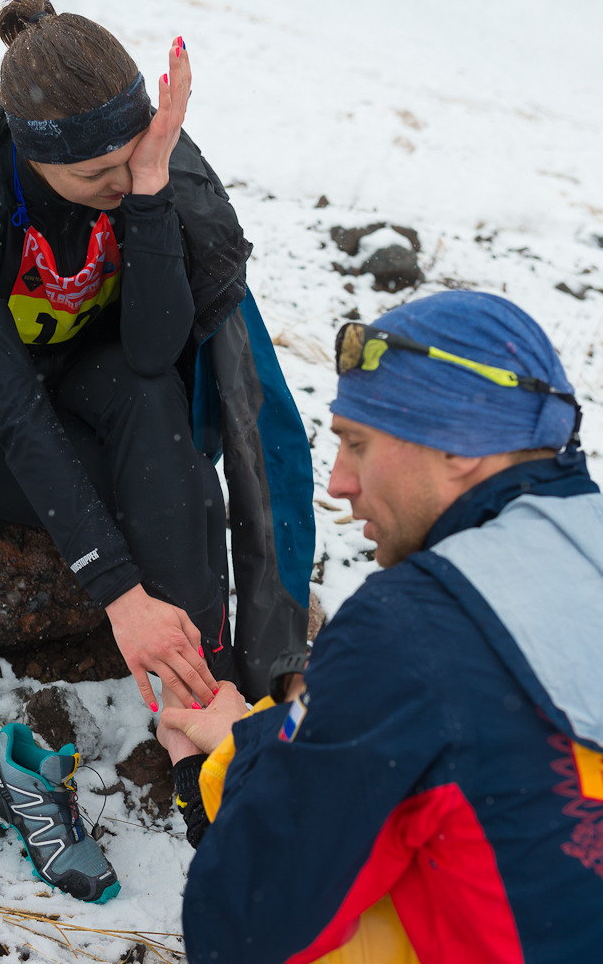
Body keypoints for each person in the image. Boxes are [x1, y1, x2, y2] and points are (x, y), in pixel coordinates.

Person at [159, 289, 603, 963]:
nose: (338, 482)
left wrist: (215, 776)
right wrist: (263, 735)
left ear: (460, 444)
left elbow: (242, 925)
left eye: (357, 443)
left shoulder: (414, 625)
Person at [0, 0, 315, 709]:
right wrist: (119, 592)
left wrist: (147, 196)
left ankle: (203, 714)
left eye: (129, 159)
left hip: (89, 371)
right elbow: (13, 407)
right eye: (93, 175)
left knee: (155, 416)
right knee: (166, 494)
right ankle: (201, 704)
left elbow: (151, 350)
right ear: (33, 154)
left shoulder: (142, 175)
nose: (114, 181)